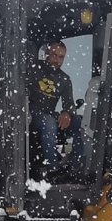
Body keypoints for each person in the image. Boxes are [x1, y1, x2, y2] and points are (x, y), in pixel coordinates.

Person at [28, 41, 84, 182]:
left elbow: (69, 105)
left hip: (49, 114)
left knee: (79, 122)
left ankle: (77, 165)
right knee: (49, 122)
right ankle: (52, 168)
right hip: (30, 115)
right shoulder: (33, 69)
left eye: (61, 57)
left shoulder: (64, 79)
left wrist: (67, 113)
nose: (57, 60)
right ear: (47, 53)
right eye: (54, 55)